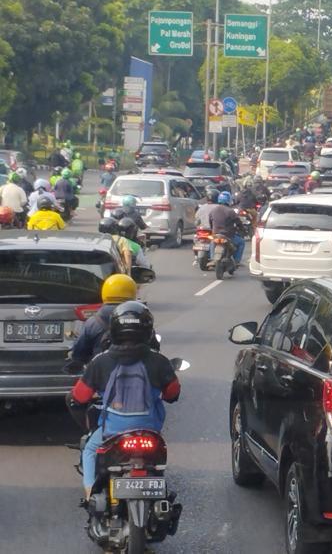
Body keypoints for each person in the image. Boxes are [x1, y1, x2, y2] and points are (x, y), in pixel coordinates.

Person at [69, 301, 179, 497]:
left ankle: (89, 494)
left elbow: (79, 396)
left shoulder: (100, 361)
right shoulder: (159, 361)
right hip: (150, 430)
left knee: (89, 449)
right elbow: (173, 393)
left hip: (112, 431)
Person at [70, 274, 138, 364]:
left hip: (102, 374)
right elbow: (153, 348)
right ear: (133, 292)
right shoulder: (140, 320)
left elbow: (79, 353)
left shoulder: (93, 322)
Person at [206, 191, 245, 267]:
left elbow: (210, 222)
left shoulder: (213, 210)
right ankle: (237, 261)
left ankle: (212, 258)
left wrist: (213, 231)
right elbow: (238, 223)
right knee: (241, 243)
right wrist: (242, 230)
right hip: (228, 235)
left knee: (212, 242)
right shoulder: (230, 211)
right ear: (229, 200)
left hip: (216, 234)